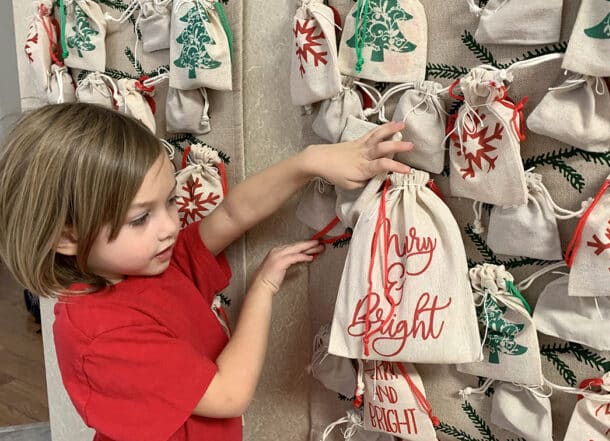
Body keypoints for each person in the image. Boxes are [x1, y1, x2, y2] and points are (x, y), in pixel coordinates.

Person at [0, 103, 411, 440]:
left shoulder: (147, 264)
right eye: (140, 219)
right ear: (67, 237)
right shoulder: (99, 332)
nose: (169, 226)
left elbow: (231, 214)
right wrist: (262, 289)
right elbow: (229, 394)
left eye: (171, 202)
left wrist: (309, 163)